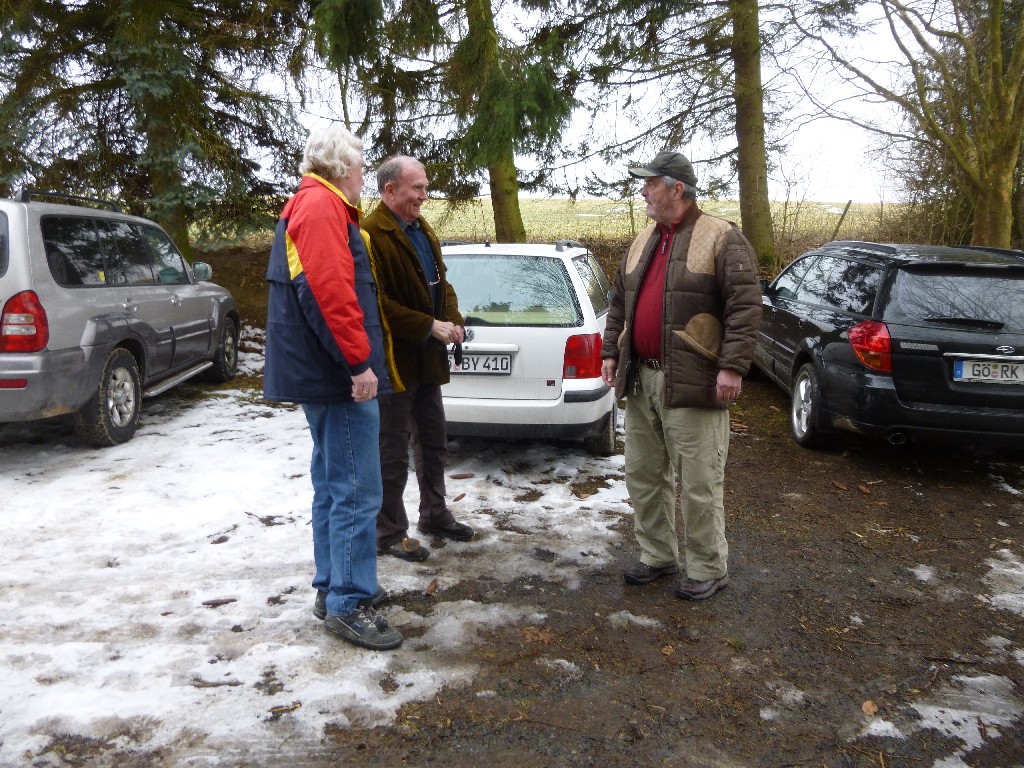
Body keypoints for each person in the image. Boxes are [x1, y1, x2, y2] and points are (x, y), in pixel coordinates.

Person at [263, 124, 404, 650]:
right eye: (362, 168)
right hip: (338, 378)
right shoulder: (321, 207)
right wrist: (358, 364)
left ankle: (333, 586)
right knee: (356, 490)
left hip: (325, 375)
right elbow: (328, 294)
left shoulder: (314, 204)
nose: (364, 177)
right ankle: (348, 600)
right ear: (343, 167)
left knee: (333, 484)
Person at [600, 150, 761, 601]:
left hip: (694, 381)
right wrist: (612, 352)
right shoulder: (643, 239)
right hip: (642, 379)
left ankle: (709, 567)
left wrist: (732, 366)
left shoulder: (722, 237)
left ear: (677, 188)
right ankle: (658, 555)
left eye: (651, 183)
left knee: (699, 482)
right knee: (643, 475)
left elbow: (745, 308)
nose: (643, 191)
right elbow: (620, 301)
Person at [362, 155, 474, 562]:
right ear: (390, 190)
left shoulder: (421, 229)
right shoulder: (370, 234)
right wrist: (429, 326)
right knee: (391, 451)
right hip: (394, 363)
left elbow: (443, 284)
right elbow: (378, 305)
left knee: (432, 441)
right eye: (418, 188)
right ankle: (389, 532)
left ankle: (435, 514)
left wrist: (453, 320)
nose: (425, 196)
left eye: (425, 187)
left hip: (427, 360)